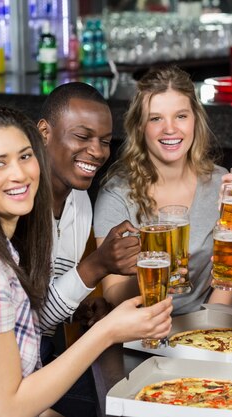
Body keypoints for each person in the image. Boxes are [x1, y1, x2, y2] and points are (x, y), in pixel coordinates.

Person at [0, 103, 172, 417]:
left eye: (25, 156)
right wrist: (108, 330)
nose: (20, 173)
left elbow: (9, 387)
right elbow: (10, 407)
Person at [37, 82, 141, 416]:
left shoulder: (80, 201)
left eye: (106, 141)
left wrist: (78, 308)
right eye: (82, 137)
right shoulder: (17, 201)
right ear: (44, 132)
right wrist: (97, 266)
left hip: (44, 354)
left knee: (127, 400)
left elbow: (47, 303)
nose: (97, 151)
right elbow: (29, 320)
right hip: (6, 370)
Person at [95, 65, 232, 311]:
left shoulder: (220, 185)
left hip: (205, 329)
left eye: (181, 116)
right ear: (140, 126)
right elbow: (113, 293)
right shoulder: (117, 194)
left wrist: (209, 328)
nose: (170, 129)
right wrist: (153, 271)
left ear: (195, 120)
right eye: (156, 118)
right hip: (139, 330)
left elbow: (230, 273)